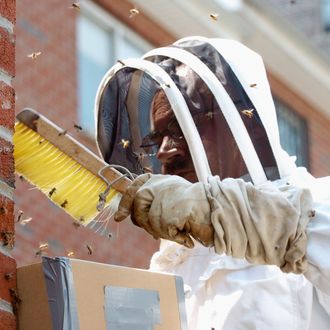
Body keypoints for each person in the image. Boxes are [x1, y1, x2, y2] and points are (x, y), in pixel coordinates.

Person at [94, 36, 330, 329]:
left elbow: (303, 229)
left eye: (180, 130)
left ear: (239, 128)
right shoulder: (172, 263)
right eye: (158, 139)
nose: (165, 151)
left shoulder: (318, 206)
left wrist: (220, 212)